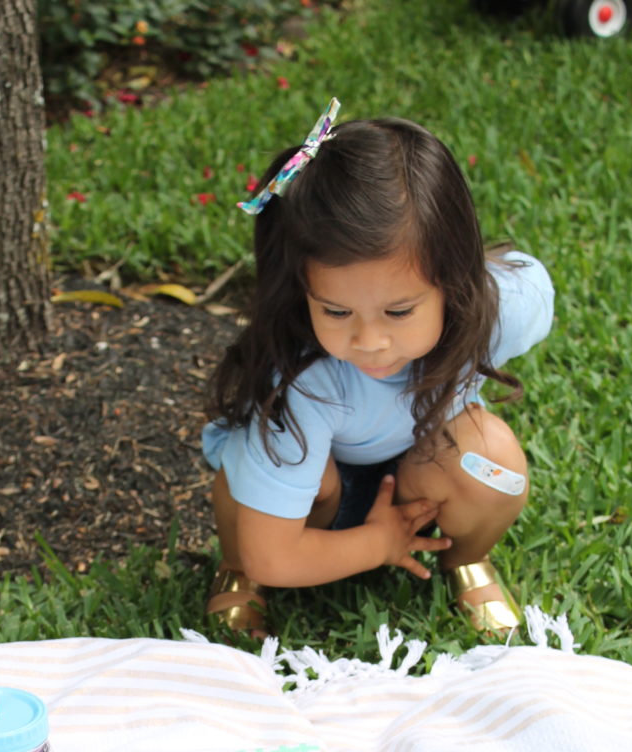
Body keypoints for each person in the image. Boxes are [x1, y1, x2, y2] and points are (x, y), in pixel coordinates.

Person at [202, 99, 554, 639]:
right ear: (304, 294)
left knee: (495, 461)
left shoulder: (497, 310)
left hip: (417, 475)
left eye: (400, 311)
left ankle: (464, 559)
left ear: (453, 281)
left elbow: (534, 284)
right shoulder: (303, 387)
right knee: (270, 506)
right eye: (336, 311)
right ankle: (236, 572)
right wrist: (376, 544)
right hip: (315, 502)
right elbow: (274, 555)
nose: (370, 341)